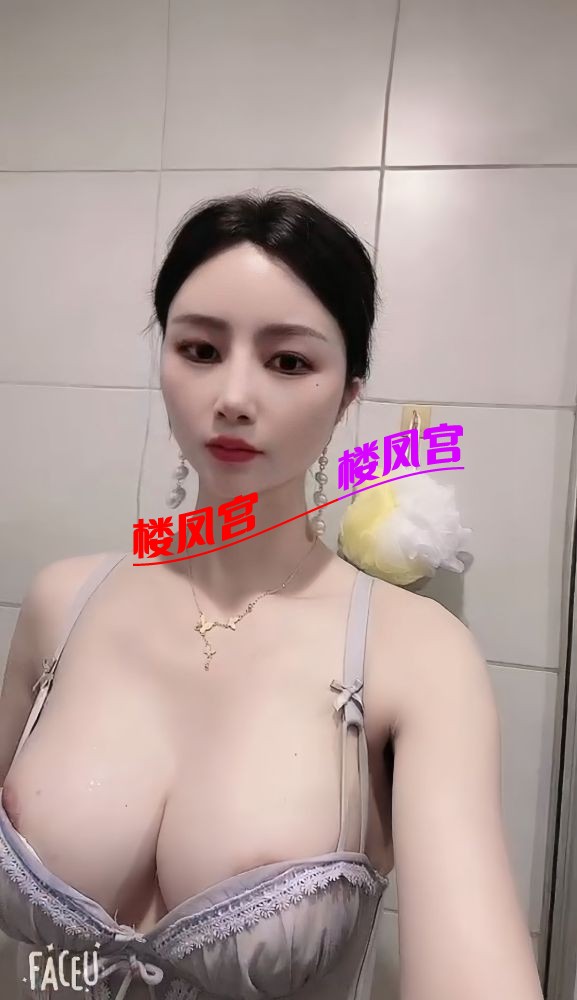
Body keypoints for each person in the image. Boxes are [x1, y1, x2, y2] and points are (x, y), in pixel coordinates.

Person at [0, 193, 543, 1000]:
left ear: (347, 393)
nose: (233, 396)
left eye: (288, 362)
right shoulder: (62, 603)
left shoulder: (417, 656)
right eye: (199, 349)